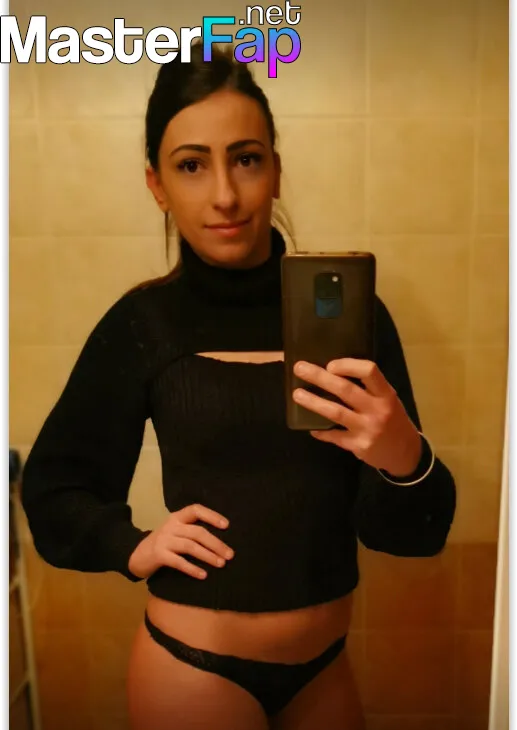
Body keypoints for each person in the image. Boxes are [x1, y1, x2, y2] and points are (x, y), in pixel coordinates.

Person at [20, 41, 457, 730]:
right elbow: (53, 489)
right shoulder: (143, 324)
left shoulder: (351, 317)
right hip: (192, 670)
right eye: (191, 165)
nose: (224, 194)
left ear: (276, 170)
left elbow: (408, 536)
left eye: (246, 159)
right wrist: (131, 546)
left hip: (324, 669)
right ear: (156, 184)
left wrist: (401, 453)